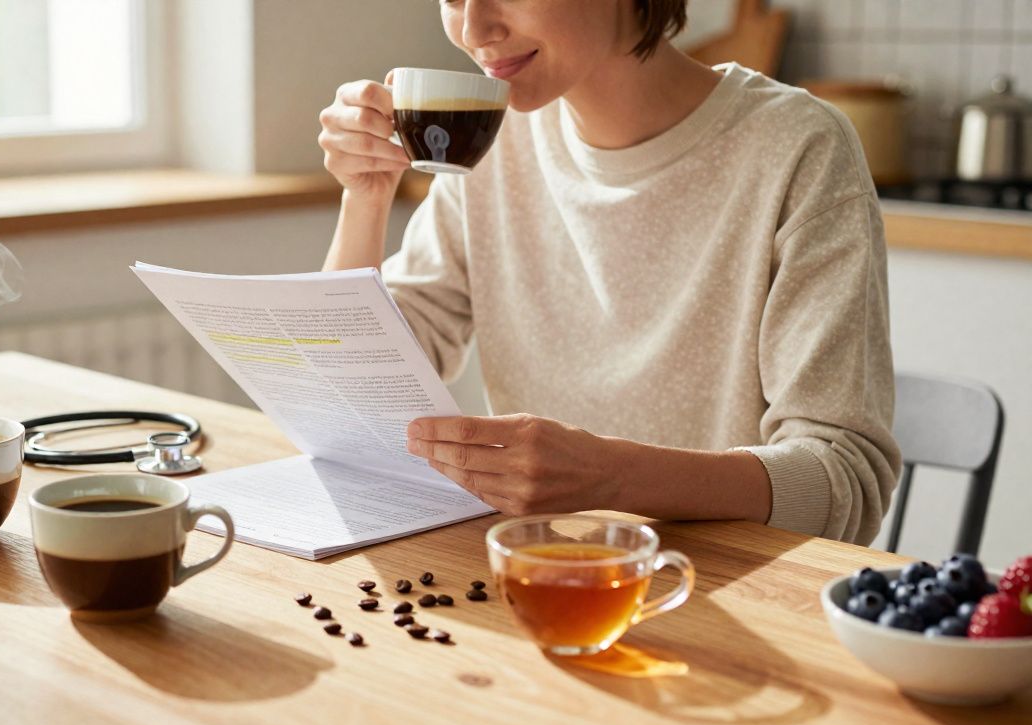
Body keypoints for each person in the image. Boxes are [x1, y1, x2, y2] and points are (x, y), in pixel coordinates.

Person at [316, 0, 900, 544]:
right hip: (534, 579)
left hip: (723, 597)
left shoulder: (799, 148)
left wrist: (612, 478)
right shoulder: (491, 139)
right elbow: (350, 399)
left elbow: (843, 482)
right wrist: (364, 198)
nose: (474, 31)